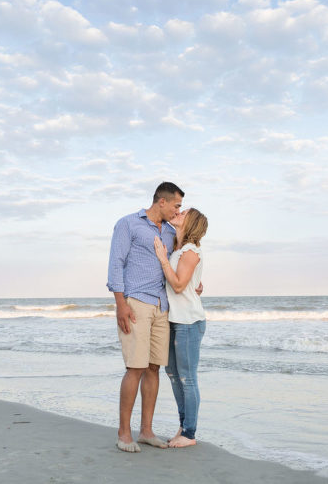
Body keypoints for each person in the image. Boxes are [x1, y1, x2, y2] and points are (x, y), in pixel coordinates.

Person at [106, 182, 184, 453]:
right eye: (176, 205)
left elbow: (176, 265)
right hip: (136, 302)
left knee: (153, 368)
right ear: (161, 202)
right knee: (135, 368)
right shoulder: (128, 224)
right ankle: (123, 434)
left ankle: (146, 431)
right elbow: (116, 263)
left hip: (162, 305)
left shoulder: (171, 233)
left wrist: (193, 283)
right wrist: (120, 304)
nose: (178, 211)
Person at [153, 207, 208, 448]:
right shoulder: (178, 248)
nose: (178, 212)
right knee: (173, 374)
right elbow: (188, 283)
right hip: (175, 320)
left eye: (183, 212)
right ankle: (183, 426)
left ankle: (190, 433)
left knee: (187, 378)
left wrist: (163, 259)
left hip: (189, 321)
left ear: (191, 222)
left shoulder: (190, 251)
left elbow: (176, 285)